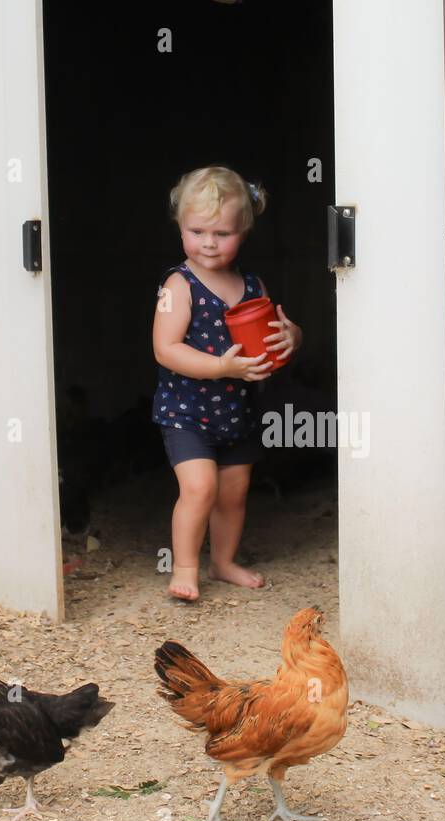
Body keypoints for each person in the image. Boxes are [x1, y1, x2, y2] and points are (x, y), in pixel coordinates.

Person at [151, 166, 302, 601]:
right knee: (200, 488)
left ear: (243, 231)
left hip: (237, 414)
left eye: (222, 233)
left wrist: (291, 337)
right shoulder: (179, 285)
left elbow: (277, 333)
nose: (209, 243)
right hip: (187, 413)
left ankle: (223, 562)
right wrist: (222, 368)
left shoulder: (252, 285)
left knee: (233, 493)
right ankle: (184, 567)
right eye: (197, 231)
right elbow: (165, 348)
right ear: (180, 227)